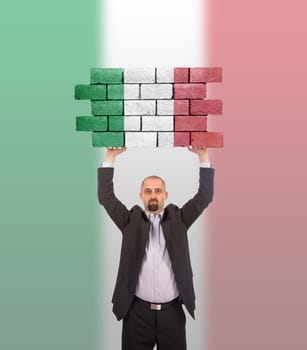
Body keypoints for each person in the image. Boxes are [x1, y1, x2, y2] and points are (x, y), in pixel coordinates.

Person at [98, 146, 214, 350]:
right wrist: (110, 157)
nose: (153, 195)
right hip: (136, 314)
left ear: (165, 195)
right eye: (148, 191)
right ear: (141, 195)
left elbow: (203, 197)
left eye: (158, 191)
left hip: (173, 315)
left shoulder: (180, 219)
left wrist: (203, 156)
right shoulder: (129, 221)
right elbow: (106, 198)